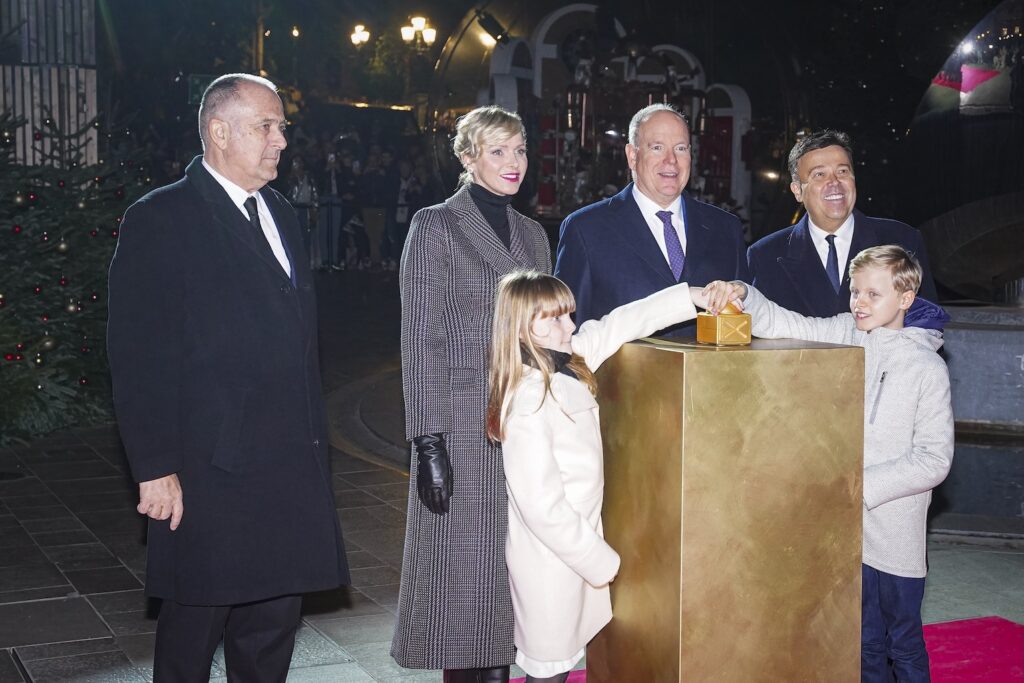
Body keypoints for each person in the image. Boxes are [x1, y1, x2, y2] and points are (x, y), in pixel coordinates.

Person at [107, 73, 349, 681]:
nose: (281, 141)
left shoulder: (283, 215)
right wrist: (155, 466)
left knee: (271, 629)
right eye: (266, 126)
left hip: (286, 465)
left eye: (282, 127)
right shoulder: (161, 218)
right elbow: (138, 354)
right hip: (207, 467)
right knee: (194, 629)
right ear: (219, 132)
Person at [702, 244, 953, 683]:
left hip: (894, 531)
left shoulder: (926, 367)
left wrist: (862, 486)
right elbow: (785, 322)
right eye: (855, 292)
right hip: (848, 530)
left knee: (904, 641)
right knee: (863, 639)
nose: (859, 303)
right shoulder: (847, 333)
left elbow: (934, 459)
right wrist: (744, 291)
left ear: (906, 298)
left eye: (873, 295)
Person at [486, 271, 726, 683]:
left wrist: (689, 296)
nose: (571, 326)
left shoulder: (567, 360)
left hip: (574, 551)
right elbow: (542, 509)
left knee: (563, 661)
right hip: (553, 560)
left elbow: (621, 322)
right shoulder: (526, 399)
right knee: (550, 668)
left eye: (568, 315)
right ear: (524, 329)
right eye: (556, 319)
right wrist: (598, 559)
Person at [391, 106, 552, 683]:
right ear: (467, 159)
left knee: (514, 581)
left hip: (525, 427)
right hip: (461, 427)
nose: (513, 164)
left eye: (520, 151)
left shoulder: (533, 235)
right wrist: (428, 441)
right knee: (463, 588)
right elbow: (421, 338)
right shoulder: (436, 225)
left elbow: (547, 336)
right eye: (497, 151)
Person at [555, 103, 749, 337]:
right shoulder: (586, 230)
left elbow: (746, 323)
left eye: (680, 148)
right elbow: (567, 332)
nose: (671, 161)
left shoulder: (725, 228)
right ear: (632, 155)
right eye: (657, 148)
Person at [747, 129, 938, 317]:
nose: (835, 182)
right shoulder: (766, 255)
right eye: (819, 175)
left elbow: (929, 326)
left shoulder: (902, 241)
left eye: (843, 171)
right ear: (797, 190)